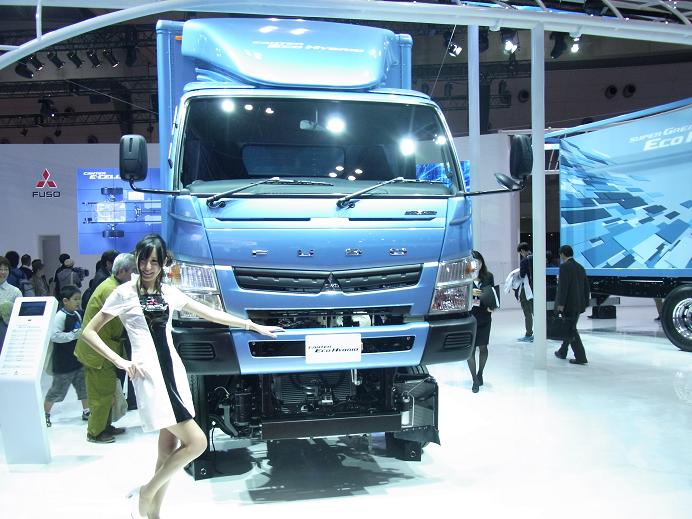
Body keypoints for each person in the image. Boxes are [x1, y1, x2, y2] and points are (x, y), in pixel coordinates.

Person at [81, 234, 283, 518]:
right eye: (143, 259)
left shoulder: (168, 292)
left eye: (154, 261)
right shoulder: (123, 293)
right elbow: (89, 331)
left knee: (168, 449)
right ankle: (146, 492)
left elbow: (209, 313)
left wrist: (251, 325)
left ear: (163, 263)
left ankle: (152, 513)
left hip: (174, 371)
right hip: (149, 375)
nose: (147, 266)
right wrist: (120, 361)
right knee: (197, 442)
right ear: (136, 258)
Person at [75, 253, 136, 444]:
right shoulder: (111, 290)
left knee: (108, 390)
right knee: (101, 394)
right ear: (122, 271)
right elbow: (125, 318)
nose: (135, 276)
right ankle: (95, 432)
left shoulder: (113, 285)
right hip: (97, 351)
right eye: (133, 272)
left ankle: (105, 426)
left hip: (106, 347)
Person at [44, 285, 90, 427]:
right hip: (63, 363)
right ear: (65, 300)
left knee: (84, 388)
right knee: (57, 391)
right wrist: (73, 335)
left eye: (79, 299)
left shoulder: (76, 314)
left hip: (77, 360)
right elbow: (54, 336)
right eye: (75, 299)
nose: (78, 302)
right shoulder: (60, 316)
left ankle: (87, 411)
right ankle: (44, 415)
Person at [554, 244, 591, 365]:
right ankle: (562, 351)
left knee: (571, 329)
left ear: (562, 254)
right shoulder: (580, 267)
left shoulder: (564, 267)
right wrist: (585, 302)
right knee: (569, 327)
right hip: (578, 304)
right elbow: (586, 287)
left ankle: (580, 356)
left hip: (568, 305)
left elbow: (563, 287)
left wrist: (560, 304)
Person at [468, 250, 498, 393]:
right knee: (470, 350)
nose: (476, 265)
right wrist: (471, 293)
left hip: (485, 315)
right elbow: (457, 295)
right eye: (473, 262)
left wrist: (492, 306)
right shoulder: (465, 277)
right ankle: (474, 379)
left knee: (483, 347)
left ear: (482, 263)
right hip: (469, 316)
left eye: (478, 262)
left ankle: (480, 373)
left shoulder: (488, 276)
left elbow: (493, 294)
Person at [0, 256, 22, 351]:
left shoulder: (15, 291)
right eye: (0, 269)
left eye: (6, 269)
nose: (3, 272)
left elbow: (21, 315)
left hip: (6, 333)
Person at [516, 242, 534, 342]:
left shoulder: (524, 261)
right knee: (536, 312)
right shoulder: (536, 258)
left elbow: (522, 276)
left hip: (527, 290)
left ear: (522, 251)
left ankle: (528, 334)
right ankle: (541, 332)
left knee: (527, 312)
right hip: (537, 289)